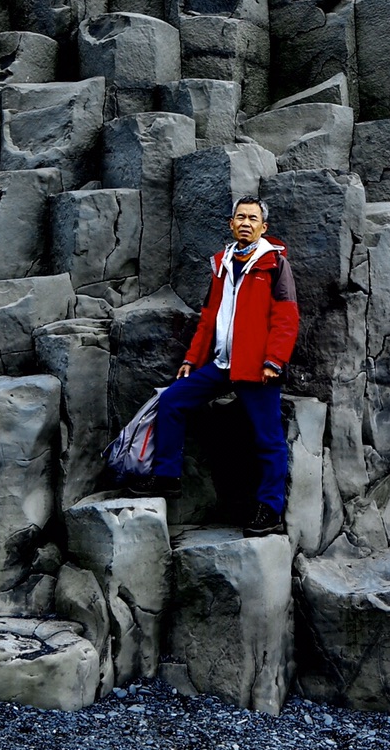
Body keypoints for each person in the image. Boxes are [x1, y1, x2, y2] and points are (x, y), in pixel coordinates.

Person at [146, 197, 299, 537]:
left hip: (258, 369)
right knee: (172, 401)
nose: (246, 222)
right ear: (231, 224)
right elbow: (209, 318)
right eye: (240, 217)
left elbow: (287, 318)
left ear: (263, 227)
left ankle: (269, 509)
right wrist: (191, 359)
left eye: (253, 218)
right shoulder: (222, 263)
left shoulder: (273, 264)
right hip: (221, 364)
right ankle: (167, 476)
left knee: (268, 439)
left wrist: (274, 360)